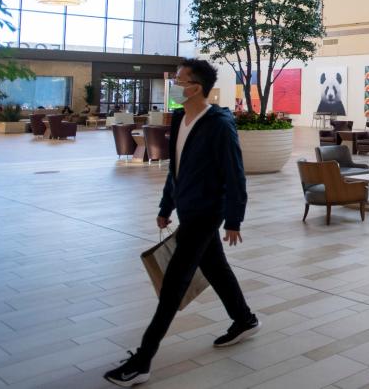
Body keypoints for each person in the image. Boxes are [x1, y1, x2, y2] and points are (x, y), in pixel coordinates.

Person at [104, 59, 257, 387]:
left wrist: (234, 218)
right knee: (215, 267)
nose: (173, 84)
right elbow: (178, 168)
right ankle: (244, 319)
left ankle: (143, 360)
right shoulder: (179, 118)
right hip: (187, 209)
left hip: (205, 213)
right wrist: (166, 205)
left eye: (178, 79)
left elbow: (234, 173)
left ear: (195, 87)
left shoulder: (218, 124)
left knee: (173, 284)